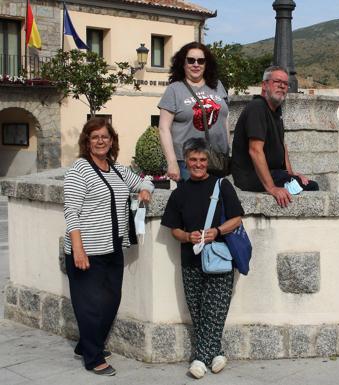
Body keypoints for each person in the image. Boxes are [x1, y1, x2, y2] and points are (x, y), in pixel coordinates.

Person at [63, 117, 153, 376]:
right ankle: (93, 357)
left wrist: (145, 191)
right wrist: (78, 249)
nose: (101, 141)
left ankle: (85, 345)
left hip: (113, 248)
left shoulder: (116, 170)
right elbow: (71, 212)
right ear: (87, 142)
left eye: (105, 136)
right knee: (89, 305)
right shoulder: (79, 170)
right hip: (87, 251)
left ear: (111, 140)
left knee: (111, 301)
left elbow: (144, 180)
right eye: (95, 137)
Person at [161, 138, 244, 378]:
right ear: (186, 161)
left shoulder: (222, 185)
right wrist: (188, 236)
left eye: (202, 160)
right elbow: (173, 229)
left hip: (219, 259)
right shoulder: (179, 193)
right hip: (191, 260)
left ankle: (199, 358)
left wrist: (216, 232)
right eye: (193, 160)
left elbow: (237, 218)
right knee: (197, 311)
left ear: (208, 162)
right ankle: (216, 352)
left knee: (215, 310)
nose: (198, 164)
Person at [230, 65, 318, 207]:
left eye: (285, 84)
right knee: (311, 188)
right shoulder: (257, 108)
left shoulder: (276, 110)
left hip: (274, 173)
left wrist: (291, 175)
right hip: (252, 177)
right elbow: (255, 150)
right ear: (264, 85)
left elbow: (282, 146)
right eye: (277, 82)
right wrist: (271, 188)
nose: (282, 86)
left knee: (306, 185)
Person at [158, 41, 229, 181]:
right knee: (194, 200)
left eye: (201, 61)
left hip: (216, 158)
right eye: (191, 60)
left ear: (206, 64)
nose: (196, 64)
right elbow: (163, 128)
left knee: (216, 200)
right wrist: (172, 163)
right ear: (182, 63)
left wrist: (228, 148)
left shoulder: (217, 85)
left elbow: (225, 119)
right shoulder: (174, 89)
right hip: (188, 161)